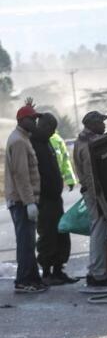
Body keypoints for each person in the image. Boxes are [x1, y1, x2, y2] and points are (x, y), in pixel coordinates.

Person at [31, 113, 75, 285]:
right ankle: (48, 273)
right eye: (50, 127)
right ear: (44, 127)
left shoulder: (47, 142)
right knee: (48, 234)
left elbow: (62, 163)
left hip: (55, 197)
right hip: (45, 198)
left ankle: (58, 270)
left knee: (61, 233)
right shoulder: (34, 143)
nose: (52, 131)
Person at [73, 111, 107, 287]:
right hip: (94, 193)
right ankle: (97, 274)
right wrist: (98, 197)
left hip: (91, 192)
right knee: (100, 231)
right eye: (101, 122)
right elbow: (91, 174)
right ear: (92, 124)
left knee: (100, 230)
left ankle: (96, 271)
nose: (104, 125)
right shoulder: (89, 145)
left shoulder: (82, 141)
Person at [6, 101, 45, 293]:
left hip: (23, 200)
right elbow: (20, 175)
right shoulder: (19, 141)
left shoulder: (22, 138)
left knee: (28, 242)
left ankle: (32, 278)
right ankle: (22, 281)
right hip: (22, 201)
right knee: (25, 242)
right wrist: (29, 202)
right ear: (22, 120)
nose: (35, 122)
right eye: (32, 119)